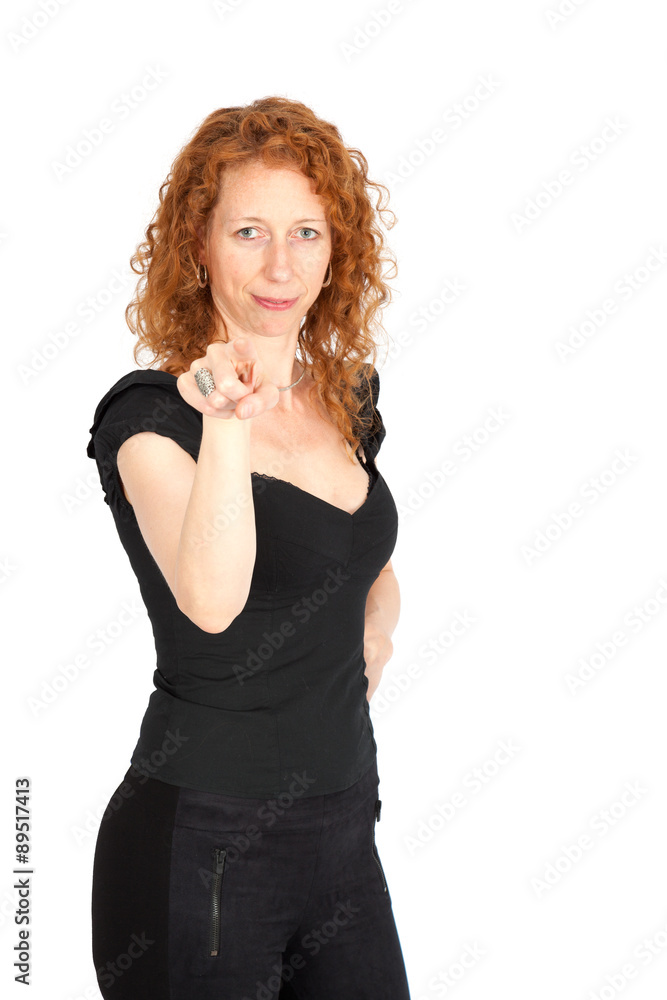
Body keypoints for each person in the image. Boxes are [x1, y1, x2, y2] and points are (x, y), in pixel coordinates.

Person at [86, 96, 411, 999]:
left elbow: (364, 561)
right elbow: (212, 599)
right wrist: (226, 417)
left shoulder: (344, 396)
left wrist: (378, 630)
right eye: (248, 232)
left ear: (337, 249)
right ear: (199, 245)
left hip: (345, 836)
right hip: (204, 850)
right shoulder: (148, 420)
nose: (280, 266)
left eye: (306, 232)